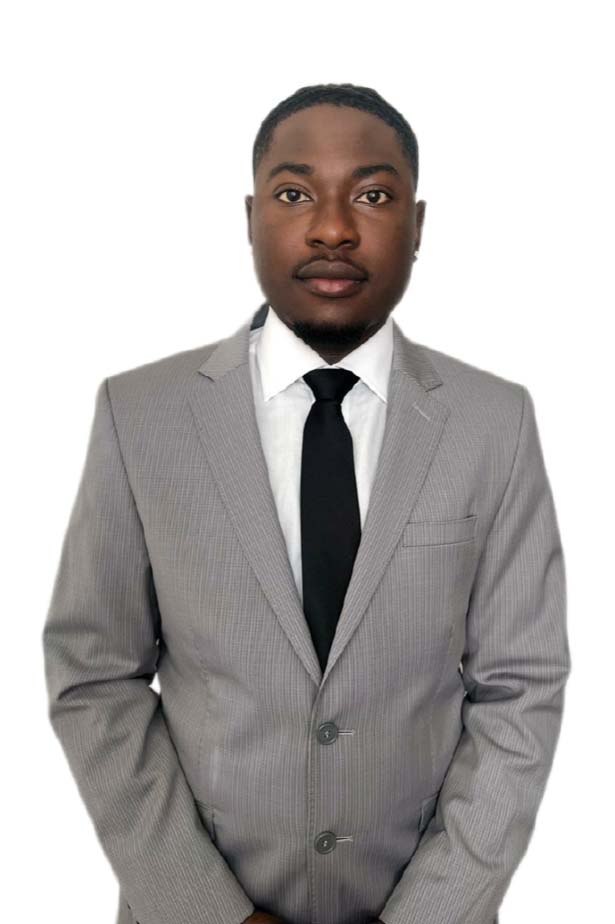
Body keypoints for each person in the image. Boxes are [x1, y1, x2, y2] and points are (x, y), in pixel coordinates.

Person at [42, 83, 571, 924]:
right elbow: (94, 674)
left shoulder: (491, 420)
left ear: (417, 225)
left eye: (372, 196)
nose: (331, 228)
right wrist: (206, 911)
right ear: (250, 218)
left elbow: (520, 686)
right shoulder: (141, 414)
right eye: (293, 194)